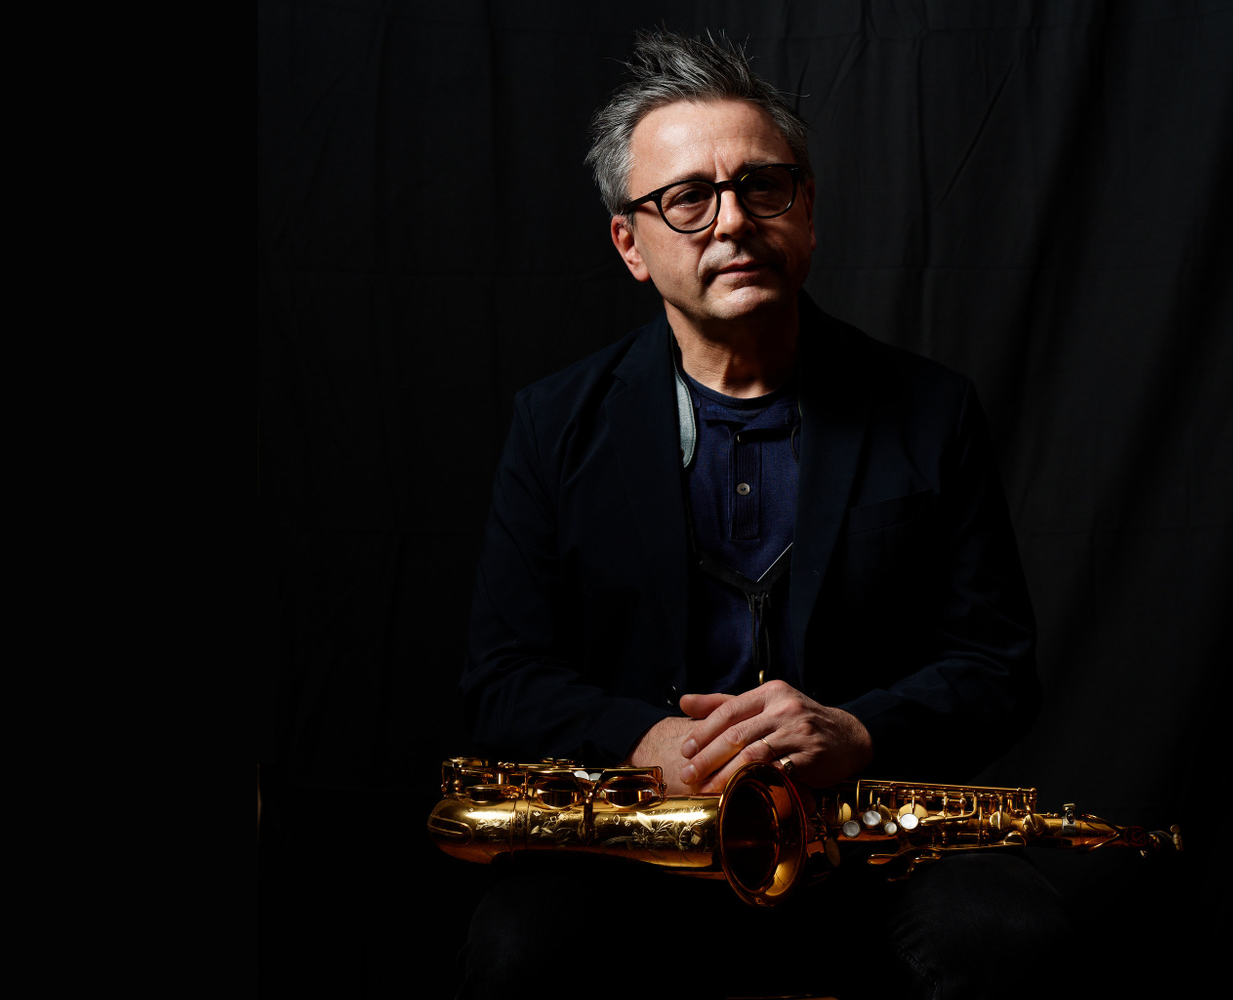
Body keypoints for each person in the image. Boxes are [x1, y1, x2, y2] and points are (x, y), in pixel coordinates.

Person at [455, 29, 1068, 1000]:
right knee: (514, 950)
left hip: (863, 843)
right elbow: (501, 678)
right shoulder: (552, 423)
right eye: (688, 199)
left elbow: (997, 667)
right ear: (630, 244)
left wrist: (857, 730)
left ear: (807, 212)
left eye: (762, 187)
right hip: (641, 846)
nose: (732, 221)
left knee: (1014, 936)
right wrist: (640, 740)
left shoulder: (933, 409)